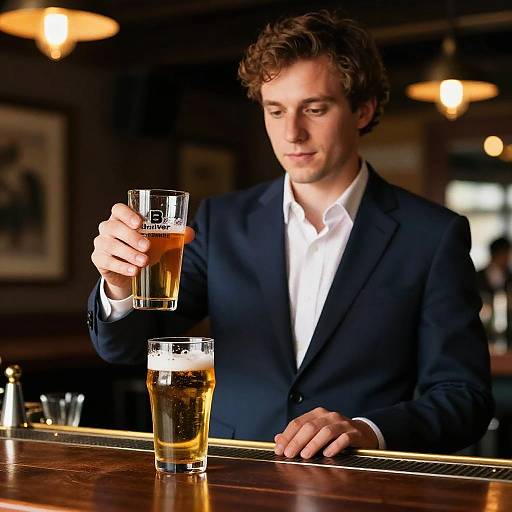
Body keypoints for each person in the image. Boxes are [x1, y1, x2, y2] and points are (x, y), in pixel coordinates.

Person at [88, 10, 493, 457]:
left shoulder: (432, 235)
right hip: (230, 483)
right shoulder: (221, 220)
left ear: (363, 109)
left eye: (314, 109)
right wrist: (119, 286)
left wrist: (366, 430)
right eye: (275, 110)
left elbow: (464, 398)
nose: (292, 133)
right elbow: (128, 347)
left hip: (358, 489)